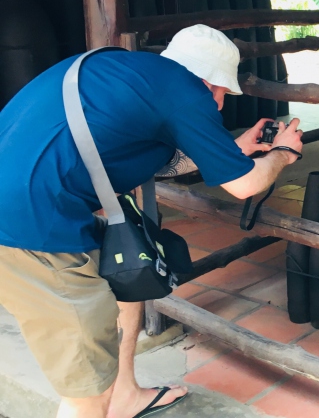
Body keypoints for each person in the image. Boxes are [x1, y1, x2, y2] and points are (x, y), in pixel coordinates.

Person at [0, 25, 303, 418]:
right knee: (87, 384)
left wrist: (230, 151)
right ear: (211, 83)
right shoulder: (187, 93)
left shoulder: (127, 71)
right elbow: (246, 185)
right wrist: (282, 154)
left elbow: (152, 160)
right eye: (223, 92)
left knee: (126, 279)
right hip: (31, 227)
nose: (219, 104)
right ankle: (105, 399)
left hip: (32, 202)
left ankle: (125, 396)